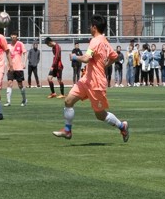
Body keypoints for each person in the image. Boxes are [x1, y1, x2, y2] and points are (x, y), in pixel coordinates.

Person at [52, 15, 129, 143]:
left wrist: (74, 57)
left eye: (90, 26)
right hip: (86, 80)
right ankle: (67, 130)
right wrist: (104, 65)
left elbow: (87, 58)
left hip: (96, 83)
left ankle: (122, 126)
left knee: (100, 115)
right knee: (68, 101)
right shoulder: (104, 40)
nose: (89, 28)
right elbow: (115, 56)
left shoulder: (95, 41)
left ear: (94, 27)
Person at [4, 30, 27, 107]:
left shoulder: (20, 44)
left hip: (19, 67)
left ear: (17, 36)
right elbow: (7, 55)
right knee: (9, 83)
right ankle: (8, 101)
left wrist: (24, 63)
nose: (13, 36)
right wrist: (5, 63)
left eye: (15, 35)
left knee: (20, 85)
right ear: (10, 36)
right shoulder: (8, 46)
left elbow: (25, 53)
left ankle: (24, 100)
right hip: (10, 68)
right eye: (12, 35)